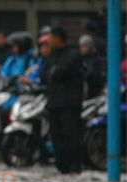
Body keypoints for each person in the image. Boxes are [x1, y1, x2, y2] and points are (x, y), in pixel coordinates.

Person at [40, 26, 85, 174]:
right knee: (57, 138)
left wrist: (53, 74)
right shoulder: (52, 57)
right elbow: (44, 75)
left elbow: (61, 72)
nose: (49, 42)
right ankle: (62, 167)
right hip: (54, 103)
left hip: (69, 104)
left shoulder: (72, 55)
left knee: (70, 137)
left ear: (58, 38)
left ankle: (74, 166)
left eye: (51, 38)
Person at [79, 34, 105, 99]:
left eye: (84, 46)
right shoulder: (80, 59)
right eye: (81, 46)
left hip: (95, 92)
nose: (82, 49)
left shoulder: (97, 60)